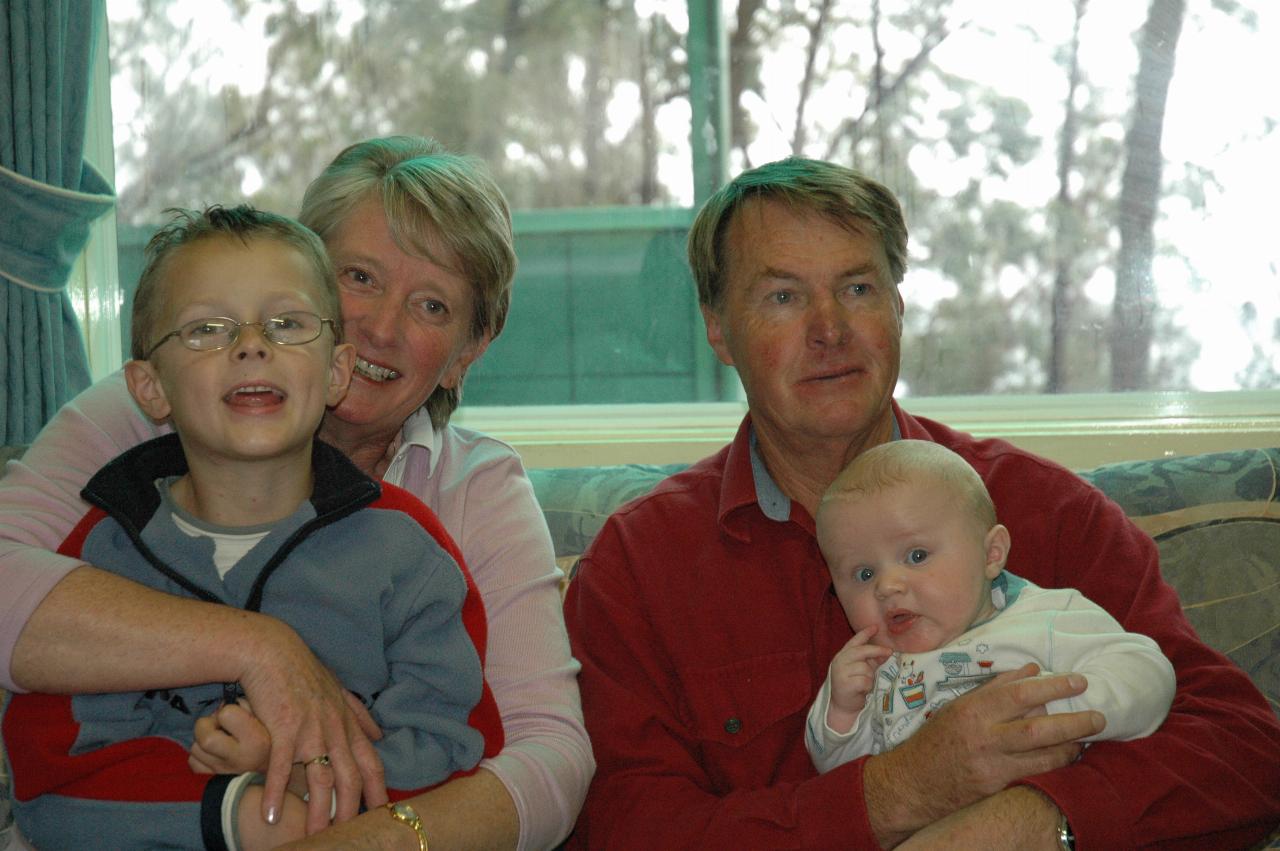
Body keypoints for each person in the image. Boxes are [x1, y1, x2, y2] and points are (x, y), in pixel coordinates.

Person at [563, 157, 1280, 849]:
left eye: (858, 289)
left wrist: (1028, 826)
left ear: (898, 307)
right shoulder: (639, 566)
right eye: (782, 296)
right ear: (718, 328)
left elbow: (1242, 746)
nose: (829, 329)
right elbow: (628, 827)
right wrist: (894, 792)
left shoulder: (1045, 511)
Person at [0, 137, 591, 849]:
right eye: (359, 277)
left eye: (432, 305)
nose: (381, 327)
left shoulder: (460, 503)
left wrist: (355, 832)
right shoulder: (146, 419)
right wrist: (261, 649)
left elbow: (547, 750)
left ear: (468, 351)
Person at [805, 439, 1175, 772]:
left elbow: (1147, 674)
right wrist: (841, 715)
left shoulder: (1045, 619)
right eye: (864, 574)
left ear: (991, 553)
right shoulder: (875, 672)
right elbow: (842, 779)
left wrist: (1059, 709)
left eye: (916, 555)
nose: (887, 586)